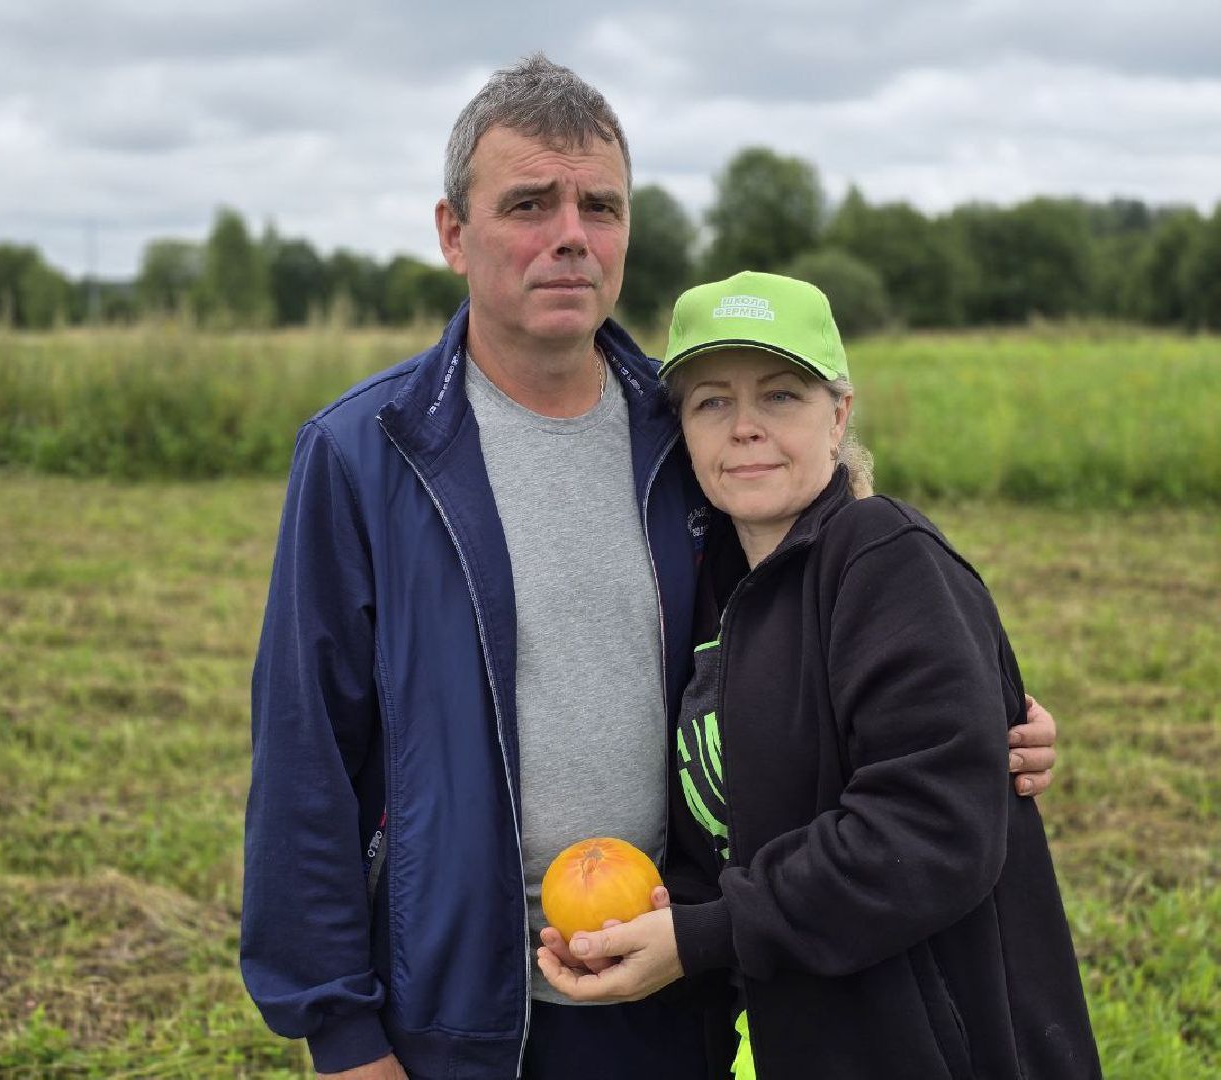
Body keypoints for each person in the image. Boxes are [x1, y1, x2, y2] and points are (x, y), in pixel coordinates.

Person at [240, 56, 1059, 1080]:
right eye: (528, 204)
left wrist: (984, 721)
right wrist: (344, 1035)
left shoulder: (679, 441)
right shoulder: (367, 454)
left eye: (600, 206)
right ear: (454, 232)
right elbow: (305, 751)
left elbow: (799, 637)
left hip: (666, 988)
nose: (569, 235)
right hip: (447, 1005)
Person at [537, 271, 1101, 1078]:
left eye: (780, 397)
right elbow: (738, 832)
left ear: (838, 416)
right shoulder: (711, 602)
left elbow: (929, 831)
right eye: (712, 403)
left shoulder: (885, 556)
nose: (744, 429)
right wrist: (652, 928)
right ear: (683, 432)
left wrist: (706, 936)